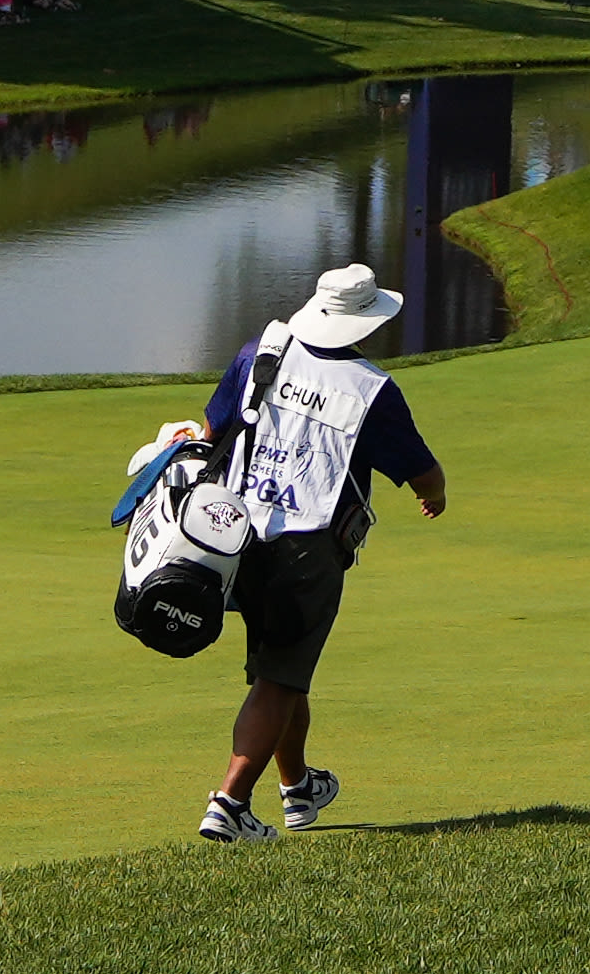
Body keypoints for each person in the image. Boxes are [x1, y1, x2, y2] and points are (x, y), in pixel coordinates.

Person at [166, 262, 450, 845]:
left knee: (284, 673)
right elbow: (423, 474)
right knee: (278, 680)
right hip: (308, 551)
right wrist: (436, 497)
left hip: (242, 539)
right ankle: (229, 805)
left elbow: (212, 428)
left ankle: (298, 789)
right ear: (366, 325)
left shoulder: (261, 350)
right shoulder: (372, 389)